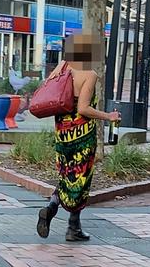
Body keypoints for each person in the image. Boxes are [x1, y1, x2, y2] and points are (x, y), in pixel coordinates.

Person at [36, 32, 121, 242]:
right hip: (81, 134)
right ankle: (71, 226)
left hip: (62, 132)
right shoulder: (89, 74)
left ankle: (55, 209)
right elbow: (83, 108)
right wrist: (108, 116)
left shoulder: (62, 66)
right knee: (81, 180)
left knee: (66, 175)